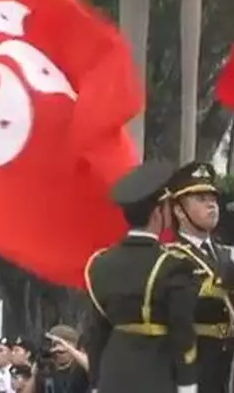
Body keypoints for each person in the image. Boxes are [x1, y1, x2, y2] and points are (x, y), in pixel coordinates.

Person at [81, 159, 200, 393]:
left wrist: (96, 383)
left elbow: (95, 334)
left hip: (111, 379)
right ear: (158, 213)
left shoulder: (99, 264)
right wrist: (188, 385)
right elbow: (182, 333)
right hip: (155, 378)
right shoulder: (174, 266)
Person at [164, 161, 234, 393]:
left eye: (213, 198)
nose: (211, 204)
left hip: (230, 367)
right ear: (179, 210)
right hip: (195, 368)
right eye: (201, 198)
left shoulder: (227, 253)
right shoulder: (170, 258)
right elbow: (193, 303)